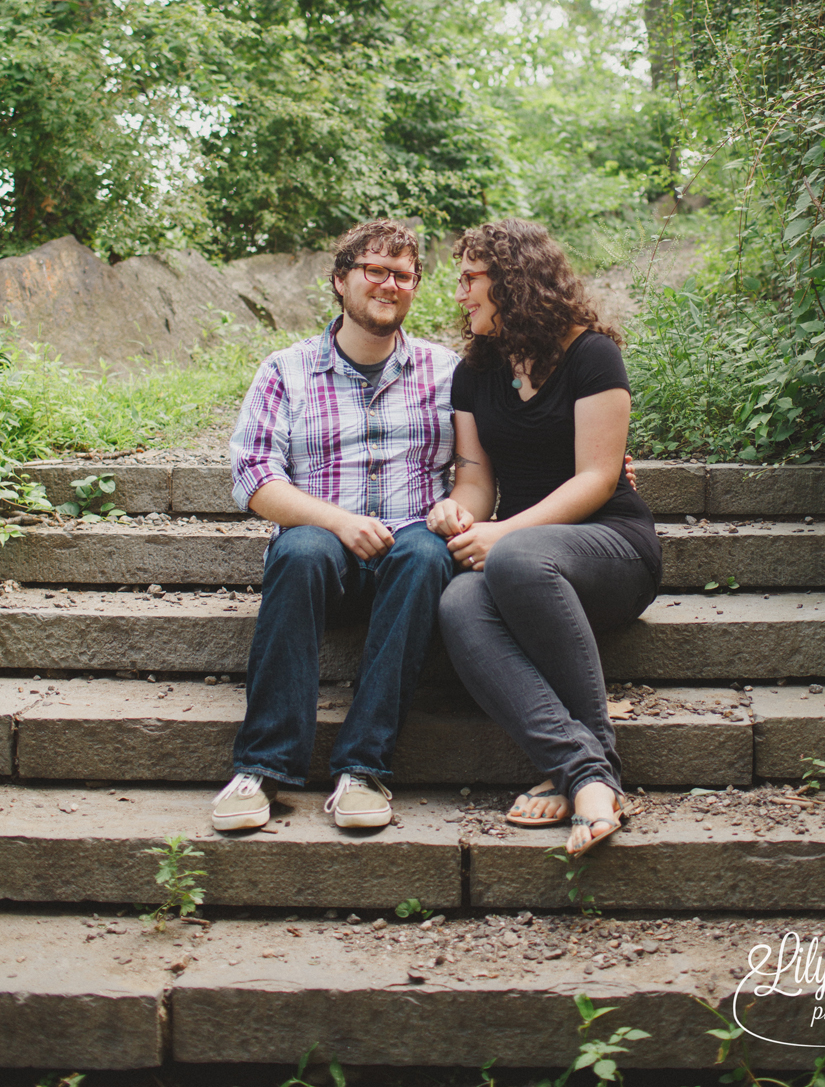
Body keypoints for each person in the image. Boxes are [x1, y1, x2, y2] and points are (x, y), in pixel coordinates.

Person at [212, 219, 459, 833]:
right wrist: (342, 524)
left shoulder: (447, 371)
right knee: (300, 550)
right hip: (321, 555)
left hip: (410, 556)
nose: (389, 284)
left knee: (426, 555)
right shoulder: (285, 370)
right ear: (340, 280)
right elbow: (254, 479)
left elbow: (484, 459)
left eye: (403, 274)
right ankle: (262, 766)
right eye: (375, 270)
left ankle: (364, 768)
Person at [427, 218, 661, 857]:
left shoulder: (592, 355)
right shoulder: (475, 371)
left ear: (512, 280)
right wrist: (458, 513)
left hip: (609, 546)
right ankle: (582, 768)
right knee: (456, 603)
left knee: (519, 561)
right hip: (522, 557)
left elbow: (596, 477)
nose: (460, 294)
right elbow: (476, 479)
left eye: (471, 279)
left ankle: (597, 763)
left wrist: (505, 534)